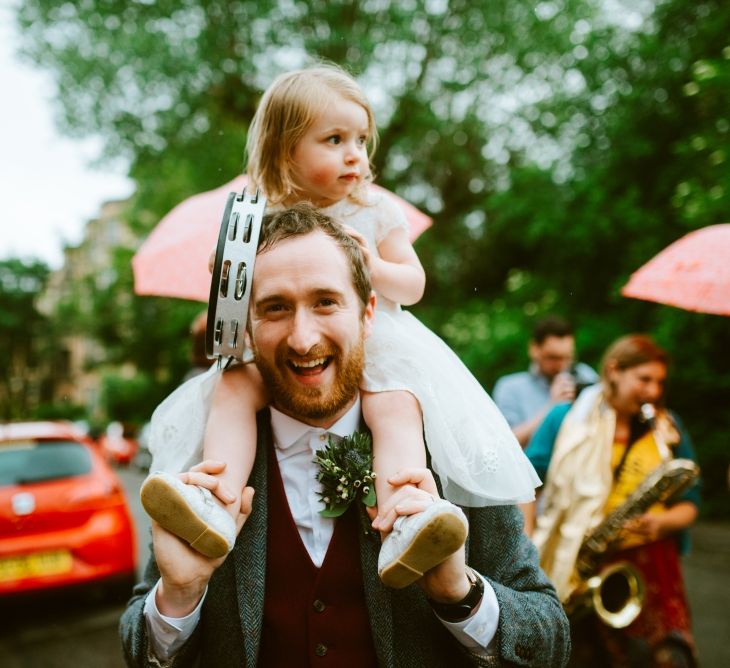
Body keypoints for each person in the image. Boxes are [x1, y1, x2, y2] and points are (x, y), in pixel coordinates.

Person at [140, 64, 539, 588]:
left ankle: (405, 516)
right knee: (234, 388)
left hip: (378, 344)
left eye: (360, 139)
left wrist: (370, 263)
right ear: (287, 153)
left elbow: (413, 285)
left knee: (396, 403)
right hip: (276, 357)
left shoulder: (372, 208)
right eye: (334, 140)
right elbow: (241, 313)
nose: (356, 153)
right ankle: (218, 500)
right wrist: (227, 284)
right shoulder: (257, 219)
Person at [120, 204, 570, 667]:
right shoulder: (205, 465)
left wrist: (461, 594)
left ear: (369, 312)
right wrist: (179, 594)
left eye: (325, 302)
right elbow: (139, 649)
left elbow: (551, 641)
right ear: (248, 327)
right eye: (275, 308)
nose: (302, 338)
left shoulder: (448, 452)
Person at [525, 334, 700, 667]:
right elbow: (526, 483)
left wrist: (662, 523)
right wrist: (528, 545)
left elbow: (690, 501)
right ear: (614, 370)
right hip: (581, 560)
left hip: (653, 563)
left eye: (659, 382)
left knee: (666, 658)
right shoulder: (565, 419)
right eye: (644, 379)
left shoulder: (668, 428)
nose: (653, 392)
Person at [493, 315, 599, 447]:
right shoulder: (510, 387)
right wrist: (552, 407)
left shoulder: (585, 374)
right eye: (553, 358)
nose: (562, 365)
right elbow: (507, 443)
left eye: (567, 357)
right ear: (534, 349)